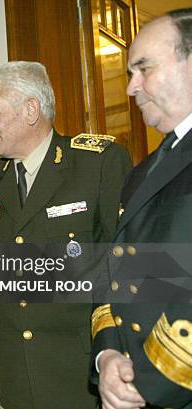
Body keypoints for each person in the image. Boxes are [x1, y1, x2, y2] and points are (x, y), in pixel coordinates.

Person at [0, 61, 132, 408]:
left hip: (80, 367)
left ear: (31, 110)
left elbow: (121, 271)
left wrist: (117, 353)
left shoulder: (98, 163)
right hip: (12, 368)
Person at [91, 9, 192, 409]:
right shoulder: (143, 171)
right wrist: (109, 357)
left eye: (143, 68)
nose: (131, 87)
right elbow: (117, 273)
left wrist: (143, 385)